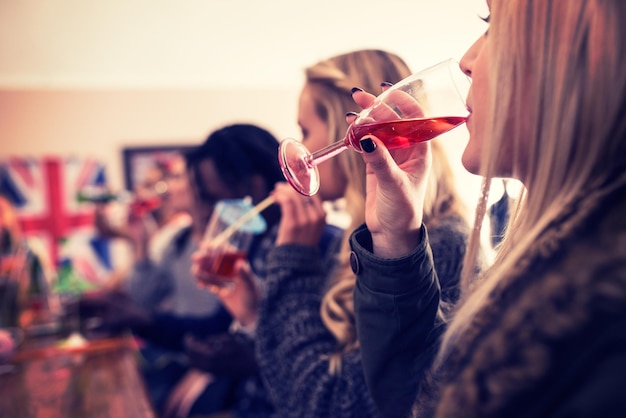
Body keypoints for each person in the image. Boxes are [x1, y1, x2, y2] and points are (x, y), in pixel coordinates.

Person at [350, 1, 626, 417]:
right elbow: (428, 394)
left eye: (493, 25)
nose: (466, 61)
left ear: (585, 50)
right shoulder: (553, 259)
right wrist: (395, 239)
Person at [202, 49, 470, 417]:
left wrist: (292, 258)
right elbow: (298, 372)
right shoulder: (356, 238)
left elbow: (329, 405)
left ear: (347, 130)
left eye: (305, 131)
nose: (302, 149)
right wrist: (250, 313)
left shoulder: (439, 245)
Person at [79, 123, 286, 417]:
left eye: (212, 197)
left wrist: (248, 356)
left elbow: (267, 346)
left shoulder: (280, 246)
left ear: (253, 186)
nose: (208, 207)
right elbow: (229, 325)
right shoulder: (234, 242)